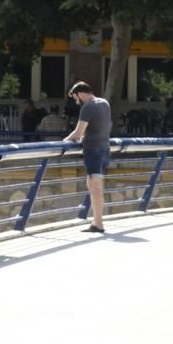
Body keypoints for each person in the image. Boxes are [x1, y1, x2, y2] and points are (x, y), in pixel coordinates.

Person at [63, 82, 112, 233]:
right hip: (105, 149)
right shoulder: (104, 103)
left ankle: (98, 224)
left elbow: (78, 133)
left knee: (95, 187)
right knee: (94, 185)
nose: (76, 101)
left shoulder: (88, 107)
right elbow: (98, 127)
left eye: (75, 97)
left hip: (93, 151)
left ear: (81, 94)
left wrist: (64, 142)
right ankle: (97, 222)